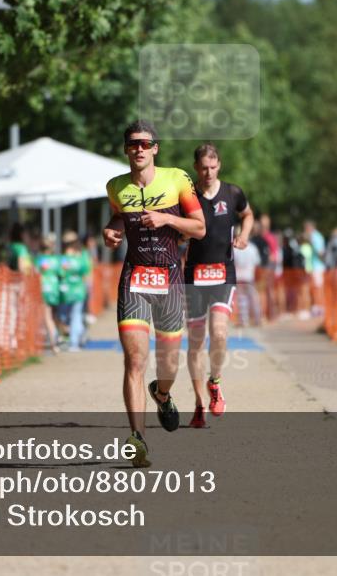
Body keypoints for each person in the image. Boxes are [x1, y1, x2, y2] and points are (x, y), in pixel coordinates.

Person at [103, 120, 205, 467]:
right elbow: (118, 218)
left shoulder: (177, 179)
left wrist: (167, 220)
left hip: (170, 278)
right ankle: (138, 439)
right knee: (135, 360)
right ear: (126, 148)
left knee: (168, 362)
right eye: (133, 144)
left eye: (145, 144)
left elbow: (200, 227)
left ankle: (162, 393)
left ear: (155, 148)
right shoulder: (116, 186)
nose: (139, 149)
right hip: (134, 278)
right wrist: (112, 231)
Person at [183, 143, 253, 428]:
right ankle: (199, 403)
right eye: (203, 168)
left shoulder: (233, 192)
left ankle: (215, 381)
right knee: (196, 341)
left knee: (220, 333)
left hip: (223, 272)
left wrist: (245, 235)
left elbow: (247, 215)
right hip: (194, 275)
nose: (208, 172)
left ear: (219, 165)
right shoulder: (187, 196)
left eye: (213, 167)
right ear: (196, 169)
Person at [58, 231, 91, 352]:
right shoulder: (81, 256)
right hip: (76, 291)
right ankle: (77, 337)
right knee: (71, 316)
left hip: (69, 291)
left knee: (68, 316)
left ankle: (73, 342)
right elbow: (86, 272)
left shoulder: (64, 258)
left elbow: (60, 273)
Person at [35, 235, 62, 352]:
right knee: (53, 315)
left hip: (43, 289)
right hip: (54, 289)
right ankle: (56, 337)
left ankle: (54, 342)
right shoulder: (56, 260)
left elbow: (34, 273)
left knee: (47, 317)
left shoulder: (39, 259)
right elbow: (61, 273)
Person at [232, 225, 263, 328]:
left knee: (242, 299)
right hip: (249, 275)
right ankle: (257, 319)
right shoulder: (252, 248)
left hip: (240, 276)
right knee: (252, 298)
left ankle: (244, 320)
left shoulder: (235, 248)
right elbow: (257, 262)